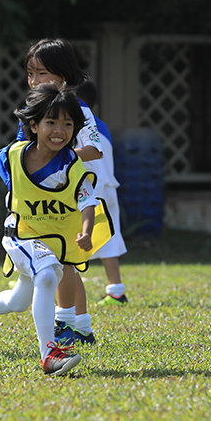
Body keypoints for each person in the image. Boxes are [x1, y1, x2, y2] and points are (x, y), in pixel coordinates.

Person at [0, 83, 111, 376]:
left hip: (53, 242)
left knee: (19, 300)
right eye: (51, 122)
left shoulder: (73, 166)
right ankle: (49, 354)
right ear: (33, 125)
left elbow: (88, 202)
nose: (59, 130)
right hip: (21, 233)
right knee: (48, 276)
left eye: (67, 124)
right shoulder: (16, 153)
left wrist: (87, 230)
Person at [0, 38, 104, 344]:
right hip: (31, 214)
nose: (34, 80)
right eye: (31, 73)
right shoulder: (35, 109)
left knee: (59, 270)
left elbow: (95, 149)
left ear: (63, 77)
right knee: (55, 270)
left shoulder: (75, 109)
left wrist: (61, 159)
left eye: (42, 74)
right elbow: (14, 152)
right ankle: (67, 328)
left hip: (67, 204)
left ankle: (72, 323)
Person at [75, 80, 129, 306]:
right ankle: (116, 290)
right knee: (110, 237)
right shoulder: (101, 125)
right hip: (108, 186)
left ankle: (42, 283)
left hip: (88, 187)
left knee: (67, 236)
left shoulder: (73, 120)